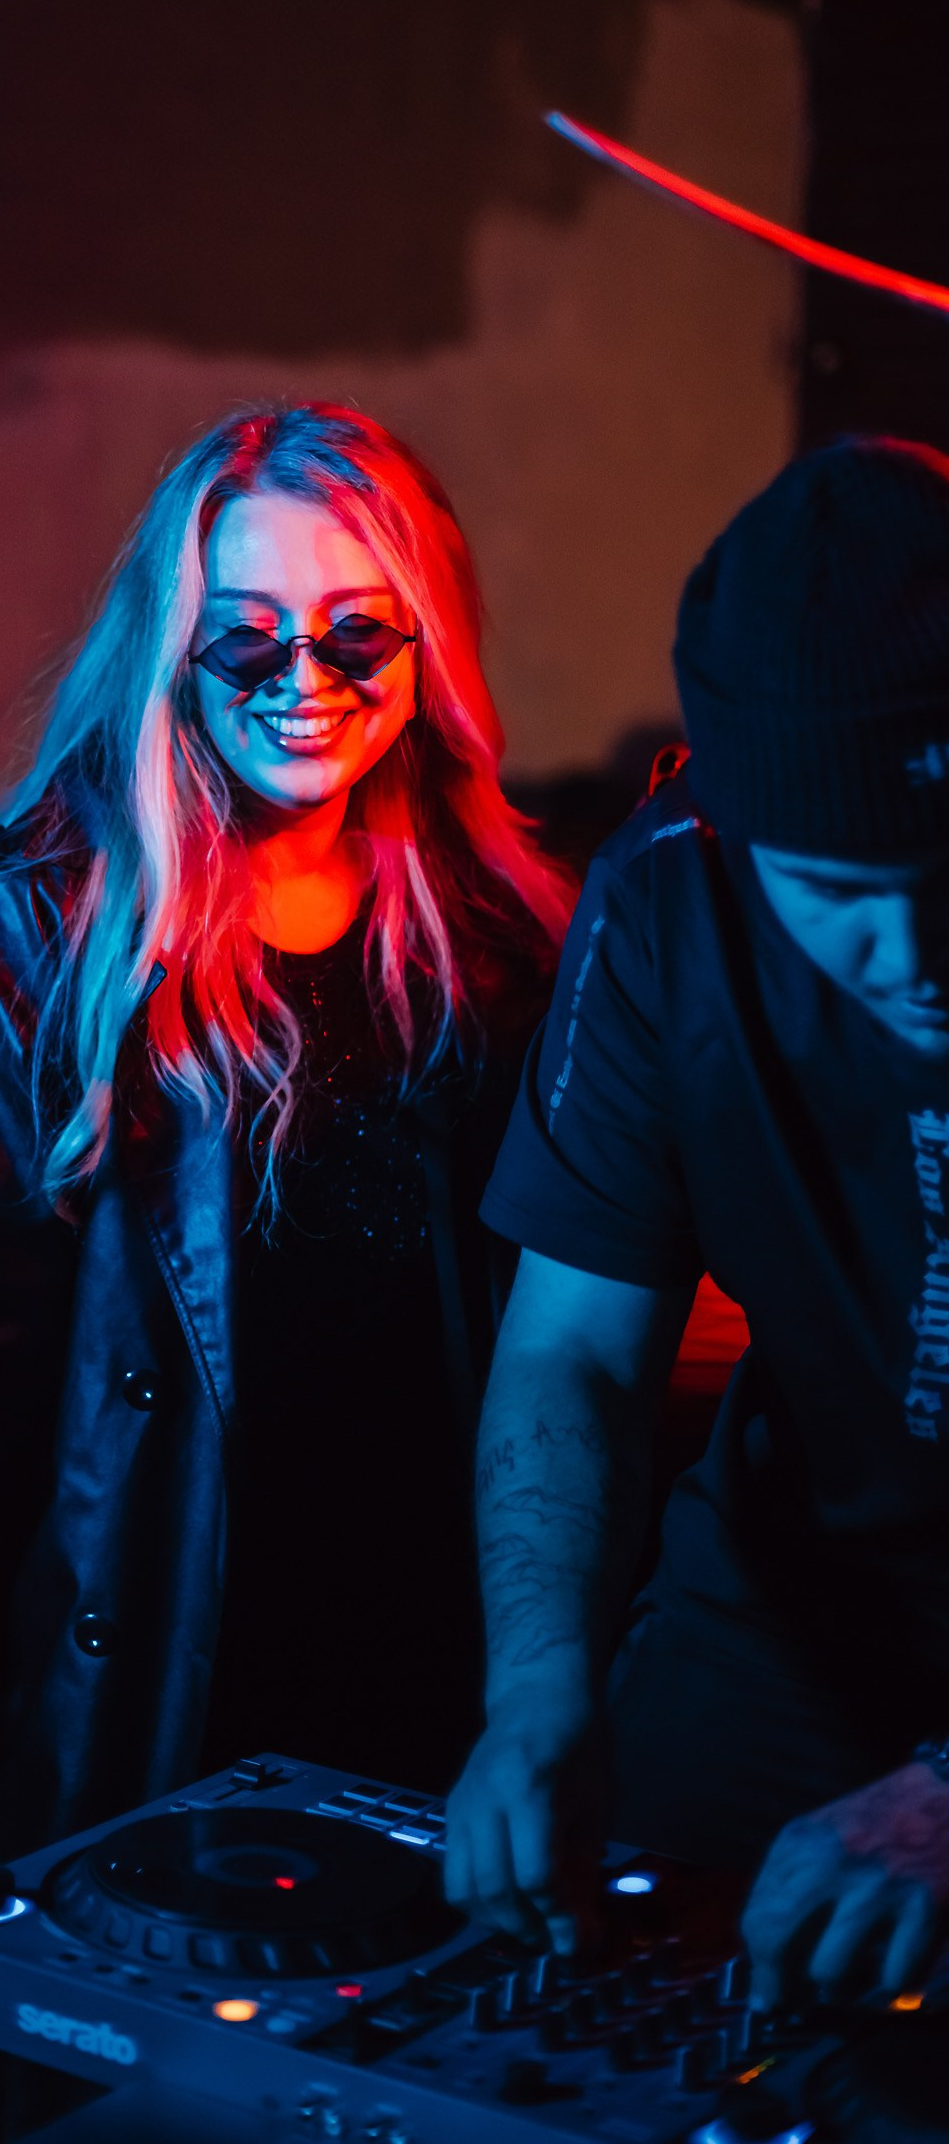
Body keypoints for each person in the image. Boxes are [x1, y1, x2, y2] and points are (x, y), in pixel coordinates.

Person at [0, 403, 570, 1891]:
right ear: (172, 652)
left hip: (427, 1685)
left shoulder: (492, 936)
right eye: (247, 640)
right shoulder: (47, 927)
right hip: (160, 1688)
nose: (304, 684)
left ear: (425, 648)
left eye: (356, 635)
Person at [445, 436, 949, 2011]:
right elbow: (576, 1348)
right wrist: (538, 1692)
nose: (913, 950)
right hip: (796, 1607)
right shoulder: (667, 893)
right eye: (834, 889)